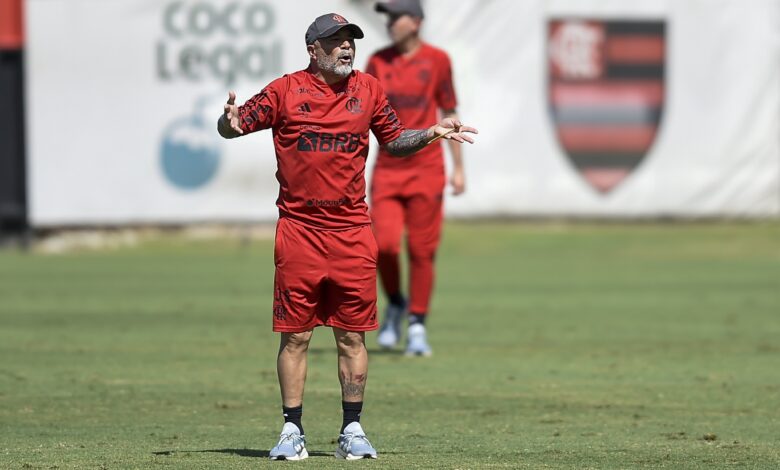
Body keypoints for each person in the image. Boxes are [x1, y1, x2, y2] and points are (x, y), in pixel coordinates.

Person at [217, 13, 477, 461]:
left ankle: (352, 429)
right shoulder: (285, 91)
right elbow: (235, 125)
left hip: (352, 233)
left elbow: (393, 141)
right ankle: (291, 430)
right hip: (299, 233)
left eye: (350, 40)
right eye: (335, 41)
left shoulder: (369, 89)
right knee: (295, 337)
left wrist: (432, 133)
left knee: (351, 337)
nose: (346, 48)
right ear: (312, 50)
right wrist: (228, 121)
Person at [366, 0, 465, 356]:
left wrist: (459, 168)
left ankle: (418, 324)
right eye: (387, 17)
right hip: (389, 167)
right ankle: (395, 303)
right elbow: (363, 112)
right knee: (384, 244)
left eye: (396, 16)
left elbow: (449, 112)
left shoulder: (438, 60)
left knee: (422, 250)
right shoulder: (378, 61)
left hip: (427, 168)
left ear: (417, 22)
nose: (390, 23)